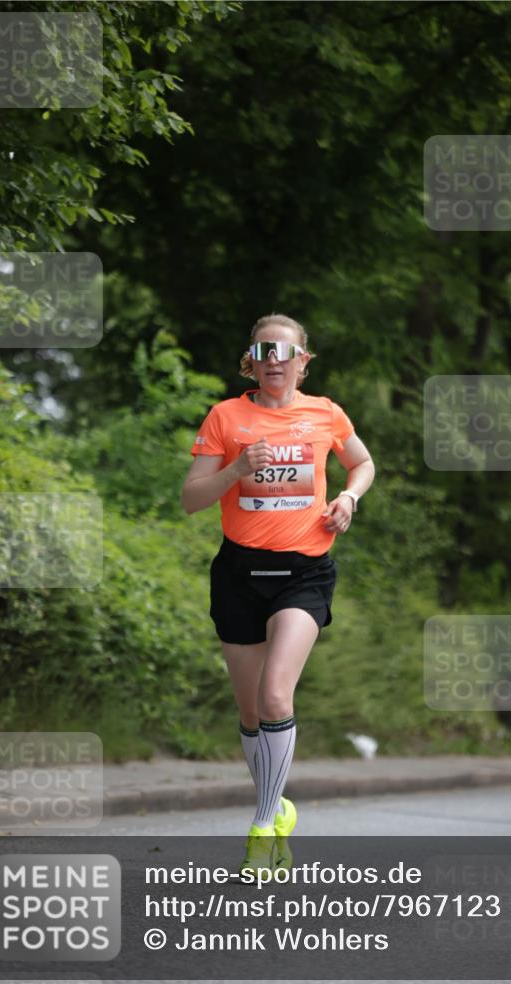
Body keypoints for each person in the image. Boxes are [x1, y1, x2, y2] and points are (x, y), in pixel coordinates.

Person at [181, 314, 375, 875]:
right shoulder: (226, 417)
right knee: (250, 713)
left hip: (303, 572)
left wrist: (349, 498)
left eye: (285, 352)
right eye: (264, 351)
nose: (274, 360)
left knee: (274, 698)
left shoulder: (326, 413)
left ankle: (264, 826)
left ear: (302, 361)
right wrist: (237, 468)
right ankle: (277, 806)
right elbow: (191, 499)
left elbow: (362, 463)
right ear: (253, 359)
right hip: (239, 574)